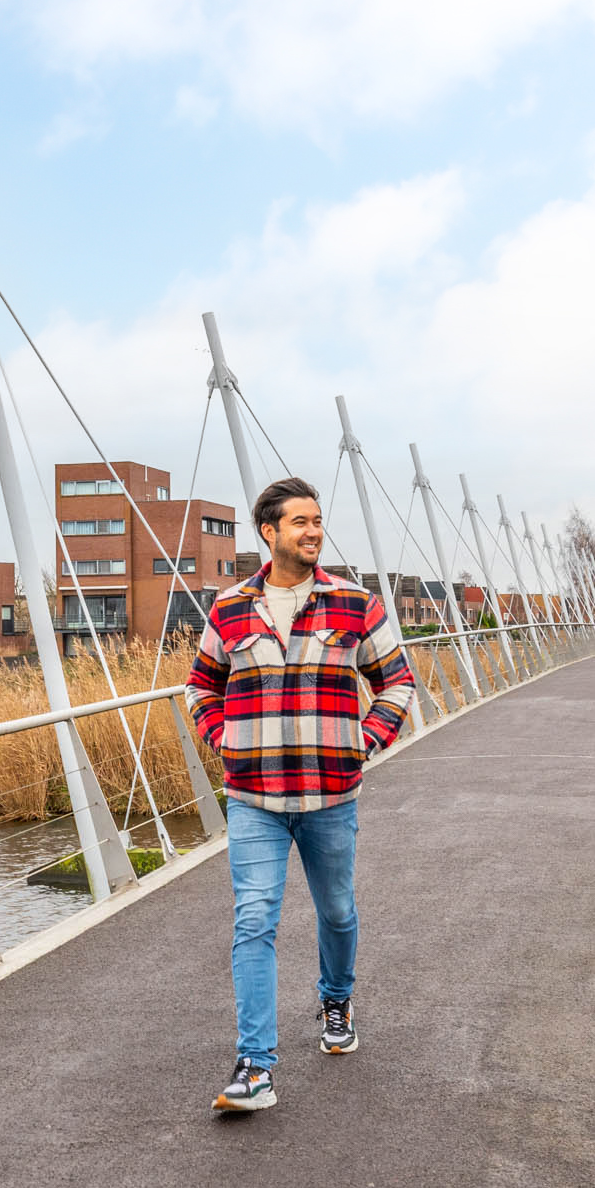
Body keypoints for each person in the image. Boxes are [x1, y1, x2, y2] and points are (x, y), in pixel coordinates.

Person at [186, 476, 416, 1112]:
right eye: (300, 522)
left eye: (318, 521)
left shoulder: (355, 604)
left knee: (337, 911)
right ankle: (255, 1066)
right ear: (269, 532)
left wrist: (364, 742)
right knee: (254, 920)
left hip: (330, 797)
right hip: (252, 796)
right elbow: (200, 687)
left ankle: (335, 1000)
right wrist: (223, 740)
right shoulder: (230, 610)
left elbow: (398, 682)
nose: (314, 531)